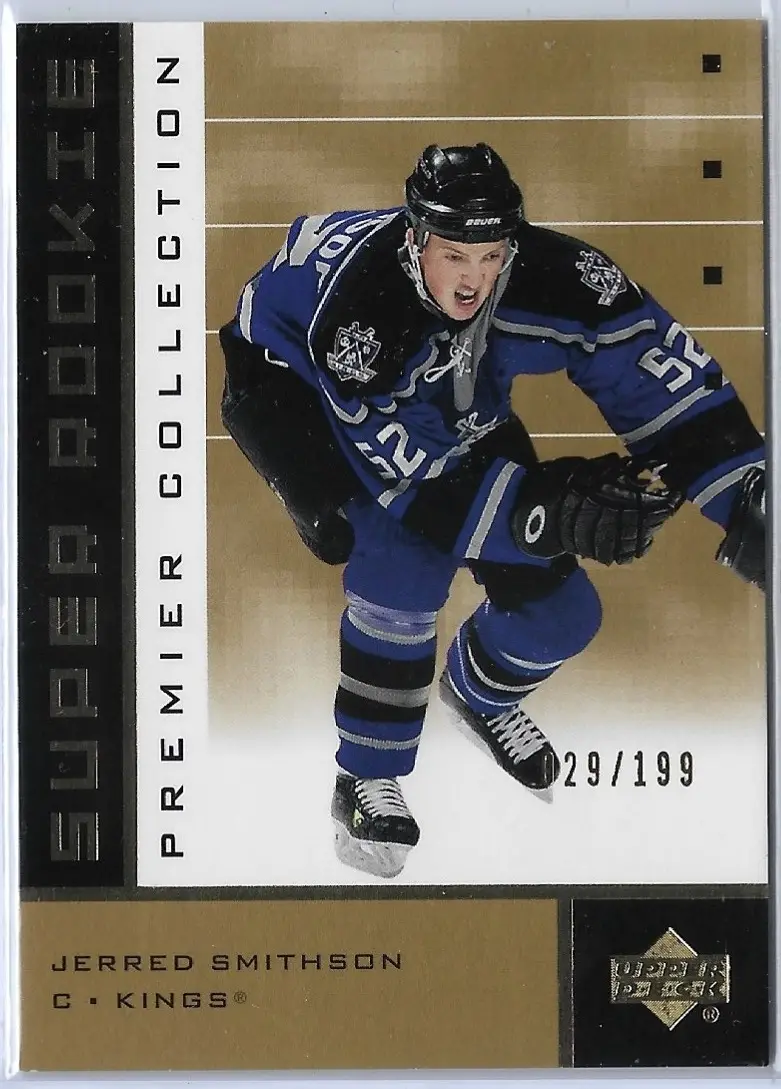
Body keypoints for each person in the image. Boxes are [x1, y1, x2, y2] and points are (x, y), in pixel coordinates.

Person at [220, 143, 765, 880]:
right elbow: (416, 485)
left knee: (565, 614)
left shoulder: (555, 273)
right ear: (415, 240)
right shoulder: (360, 324)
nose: (474, 276)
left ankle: (478, 697)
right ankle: (363, 778)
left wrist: (746, 494)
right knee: (398, 557)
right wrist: (549, 511)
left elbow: (649, 368)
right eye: (454, 255)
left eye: (490, 254)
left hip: (446, 397)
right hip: (293, 386)